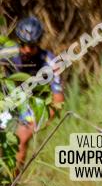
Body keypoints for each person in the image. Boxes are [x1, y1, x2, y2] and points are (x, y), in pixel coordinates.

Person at [0, 16, 64, 175]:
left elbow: (58, 101)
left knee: (21, 139)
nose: (27, 50)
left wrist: (40, 124)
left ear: (39, 43)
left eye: (32, 45)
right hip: (8, 100)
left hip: (32, 105)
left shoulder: (50, 62)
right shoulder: (6, 53)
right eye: (23, 45)